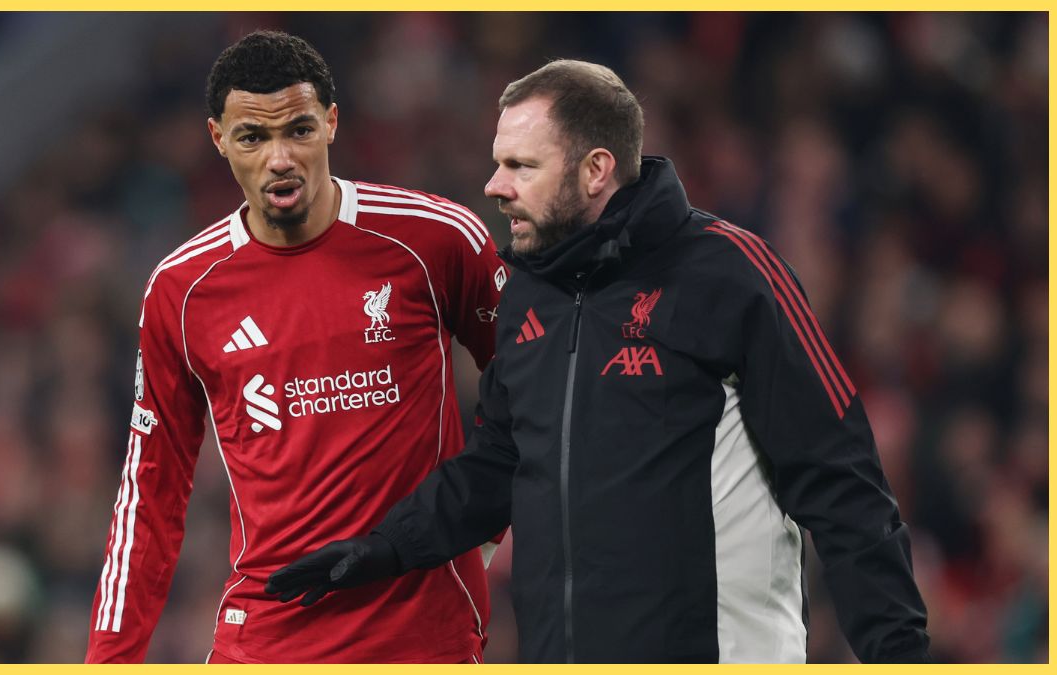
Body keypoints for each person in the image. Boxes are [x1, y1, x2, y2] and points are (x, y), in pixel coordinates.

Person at [265, 60, 932, 663]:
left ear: (596, 170)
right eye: (499, 162)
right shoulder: (527, 294)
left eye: (522, 166)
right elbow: (500, 463)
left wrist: (898, 652)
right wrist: (387, 544)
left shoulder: (730, 275)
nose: (495, 185)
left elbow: (842, 481)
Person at [85, 30, 505, 664]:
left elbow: (537, 387)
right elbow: (150, 492)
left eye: (299, 130)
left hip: (421, 635)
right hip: (267, 638)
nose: (280, 158)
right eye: (253, 137)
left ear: (332, 124)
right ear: (218, 139)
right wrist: (110, 660)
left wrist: (483, 526)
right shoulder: (183, 290)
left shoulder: (435, 240)